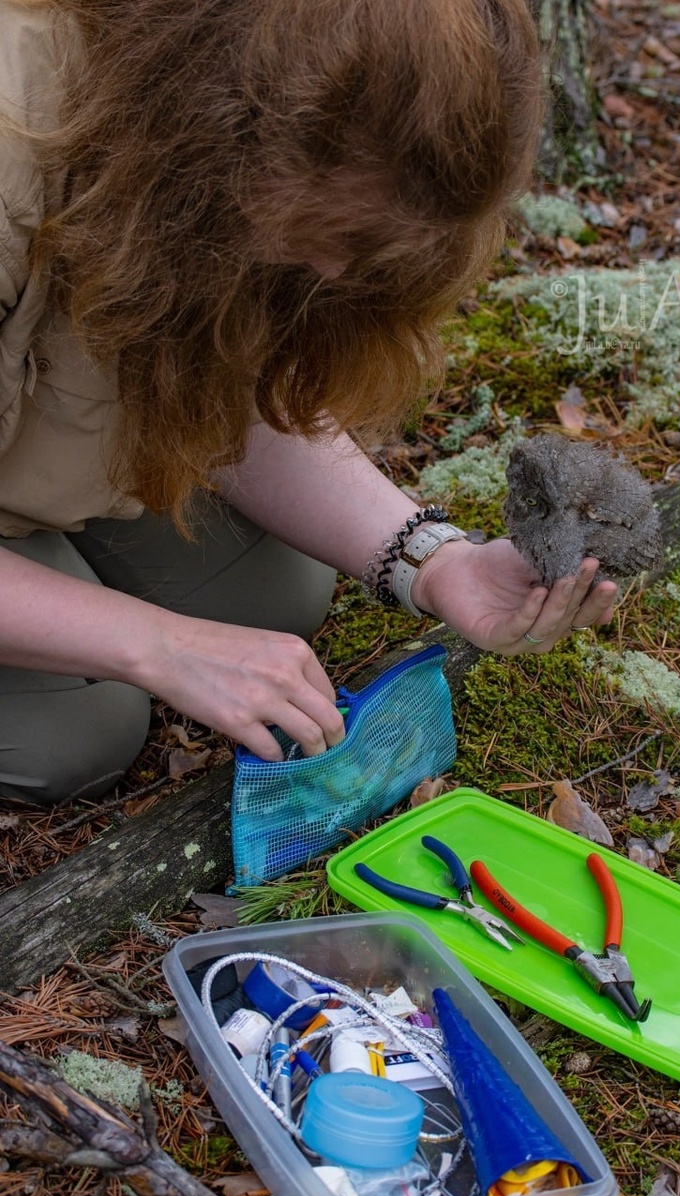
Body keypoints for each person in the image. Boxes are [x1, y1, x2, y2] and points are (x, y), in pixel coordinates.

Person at [0, 0, 617, 806]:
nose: (331, 273)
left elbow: (229, 388)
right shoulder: (18, 139)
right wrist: (157, 645)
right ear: (234, 117)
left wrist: (437, 565)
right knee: (77, 735)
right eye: (336, 232)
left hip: (45, 442)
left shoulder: (215, 157)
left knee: (274, 599)